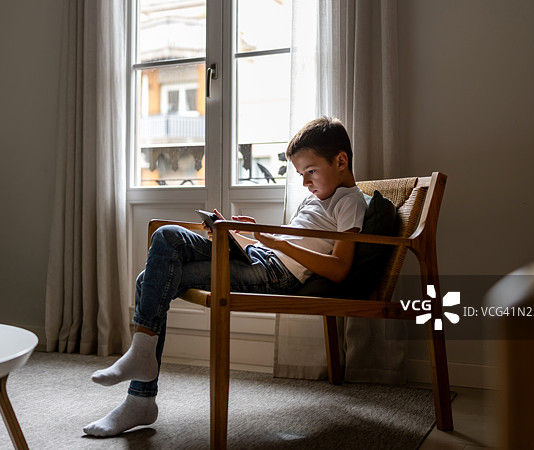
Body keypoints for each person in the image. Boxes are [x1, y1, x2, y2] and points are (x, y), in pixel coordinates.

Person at [83, 117, 367, 437]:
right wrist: (244, 235)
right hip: (263, 259)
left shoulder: (349, 201)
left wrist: (277, 242)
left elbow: (339, 268)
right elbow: (286, 244)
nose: (305, 183)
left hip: (277, 274)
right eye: (301, 175)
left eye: (310, 172)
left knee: (155, 262)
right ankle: (141, 382)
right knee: (162, 249)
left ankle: (140, 391)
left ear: (341, 161)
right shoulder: (315, 199)